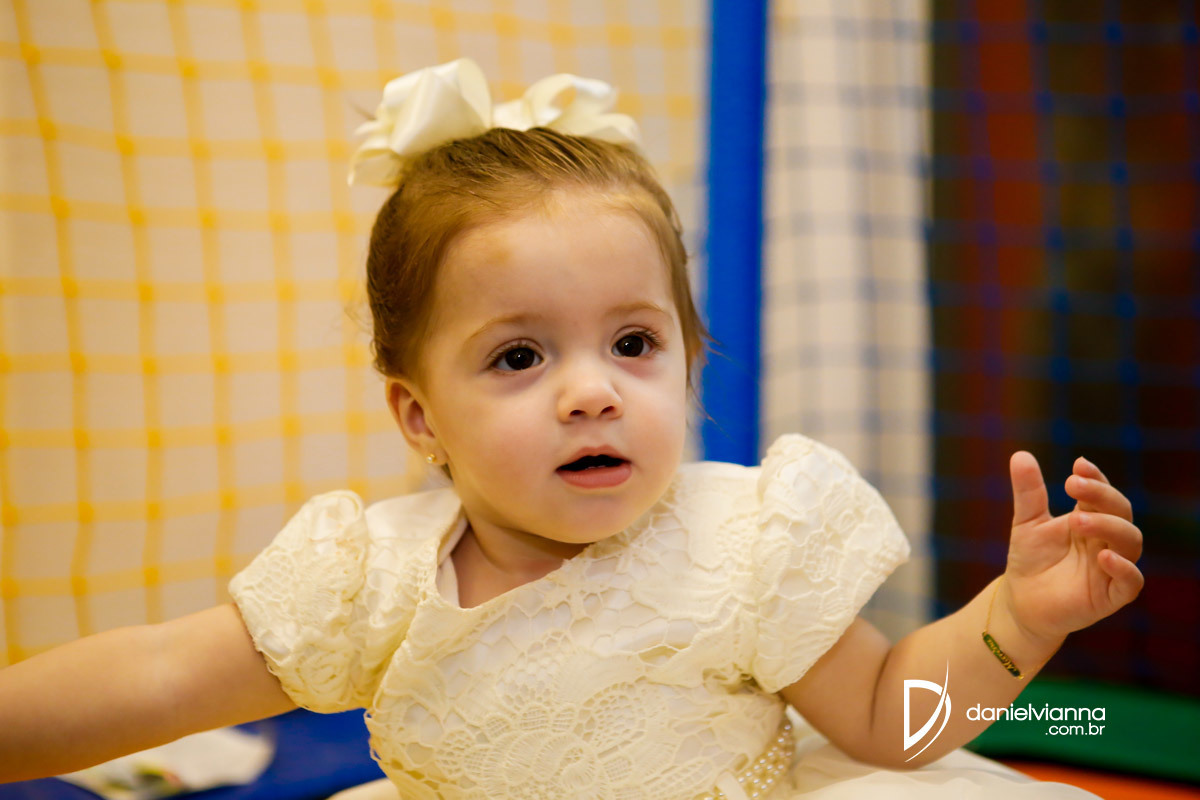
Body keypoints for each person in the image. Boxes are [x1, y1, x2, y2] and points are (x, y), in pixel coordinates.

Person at [0, 59, 1143, 799]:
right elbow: (158, 673)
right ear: (420, 414)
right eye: (519, 356)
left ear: (689, 361)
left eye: (633, 342)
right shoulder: (374, 578)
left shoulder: (741, 541)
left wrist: (1016, 618)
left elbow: (894, 716)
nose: (592, 392)